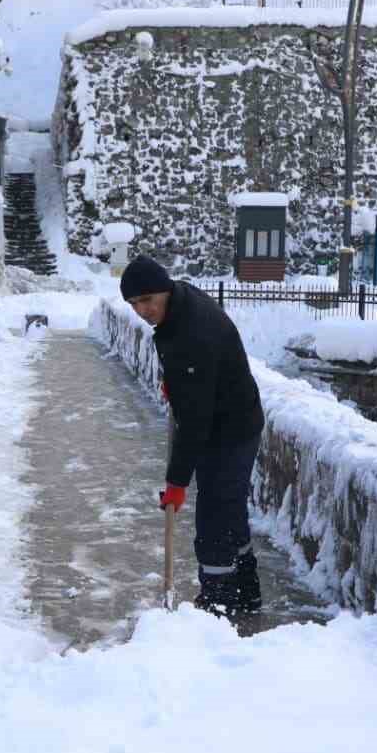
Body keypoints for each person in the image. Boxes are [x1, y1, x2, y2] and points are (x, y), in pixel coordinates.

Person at [122, 254, 265, 620]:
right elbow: (194, 380)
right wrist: (178, 382)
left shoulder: (192, 334)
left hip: (227, 428)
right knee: (230, 510)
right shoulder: (181, 304)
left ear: (164, 291)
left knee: (214, 520)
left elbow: (194, 423)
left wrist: (176, 482)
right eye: (134, 304)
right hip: (238, 415)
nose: (142, 310)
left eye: (147, 300)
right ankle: (247, 594)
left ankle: (218, 607)